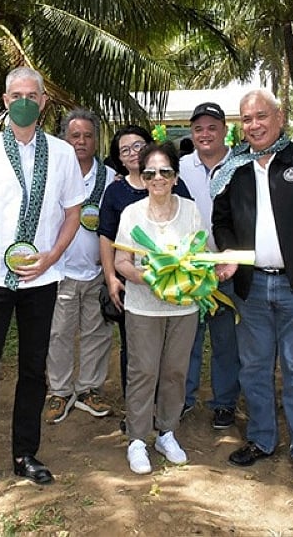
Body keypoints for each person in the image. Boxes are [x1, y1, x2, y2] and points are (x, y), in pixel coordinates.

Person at [0, 67, 86, 500]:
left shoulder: (63, 153)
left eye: (33, 94)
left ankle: (26, 454)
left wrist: (52, 255)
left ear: (44, 102)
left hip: (41, 279)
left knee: (33, 368)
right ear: (5, 101)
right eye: (16, 94)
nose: (24, 100)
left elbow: (73, 214)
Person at [211, 89, 293, 483]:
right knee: (254, 368)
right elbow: (221, 221)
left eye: (261, 116)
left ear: (279, 117)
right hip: (251, 286)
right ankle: (262, 439)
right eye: (246, 119)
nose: (254, 125)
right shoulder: (234, 167)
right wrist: (230, 253)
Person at [113, 143, 201, 474]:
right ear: (143, 176)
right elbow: (122, 261)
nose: (158, 178)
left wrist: (185, 278)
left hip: (182, 308)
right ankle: (137, 439)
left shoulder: (190, 210)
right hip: (143, 307)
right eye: (150, 172)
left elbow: (200, 254)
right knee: (143, 371)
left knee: (175, 371)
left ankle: (166, 432)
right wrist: (149, 278)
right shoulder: (131, 214)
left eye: (165, 171)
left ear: (176, 177)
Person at [98, 126, 192, 408]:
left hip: (174, 285)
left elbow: (189, 227)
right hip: (132, 283)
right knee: (136, 350)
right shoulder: (116, 191)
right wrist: (111, 277)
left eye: (138, 146)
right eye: (124, 149)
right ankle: (138, 408)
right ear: (119, 157)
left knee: (171, 351)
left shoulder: (174, 183)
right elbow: (106, 237)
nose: (132, 153)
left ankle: (168, 410)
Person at [44, 109, 117, 424]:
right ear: (65, 138)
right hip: (60, 270)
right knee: (58, 333)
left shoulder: (110, 177)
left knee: (97, 332)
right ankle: (59, 392)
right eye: (75, 136)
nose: (82, 141)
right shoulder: (52, 173)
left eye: (88, 135)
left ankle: (89, 389)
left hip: (97, 270)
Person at [178, 101, 241, 430]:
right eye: (199, 128)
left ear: (224, 130)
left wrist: (231, 258)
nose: (205, 134)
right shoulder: (180, 167)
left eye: (212, 127)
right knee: (187, 338)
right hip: (190, 268)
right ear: (192, 132)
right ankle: (184, 399)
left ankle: (225, 402)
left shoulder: (241, 164)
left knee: (226, 341)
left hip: (229, 267)